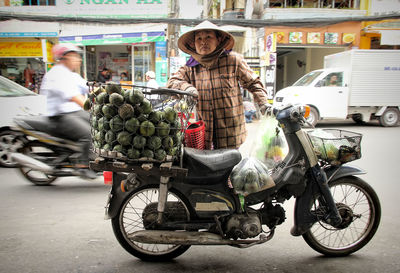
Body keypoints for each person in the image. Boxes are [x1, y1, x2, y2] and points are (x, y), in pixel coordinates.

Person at [167, 20, 270, 149]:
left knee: (232, 168)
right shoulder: (190, 67)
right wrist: (187, 88)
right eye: (199, 38)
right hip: (205, 135)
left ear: (218, 39)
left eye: (208, 37)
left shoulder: (233, 60)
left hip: (231, 133)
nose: (203, 42)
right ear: (194, 43)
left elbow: (253, 83)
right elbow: (172, 83)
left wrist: (263, 103)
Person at [40, 43, 96, 179]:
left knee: (98, 124)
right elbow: (76, 98)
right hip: (60, 118)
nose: (79, 60)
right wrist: (93, 107)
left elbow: (89, 89)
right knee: (89, 133)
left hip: (74, 114)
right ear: (64, 58)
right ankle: (82, 166)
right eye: (75, 56)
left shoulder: (72, 75)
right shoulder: (57, 74)